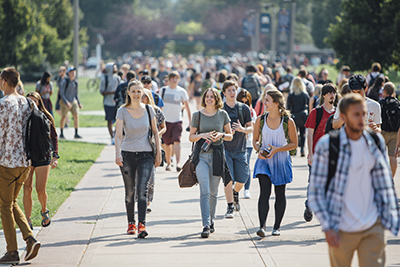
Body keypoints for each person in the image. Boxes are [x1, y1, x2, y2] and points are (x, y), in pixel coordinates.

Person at [308, 93, 400, 267]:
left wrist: (389, 218)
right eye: (356, 114)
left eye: (364, 114)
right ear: (343, 117)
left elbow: (384, 181)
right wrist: (328, 226)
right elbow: (316, 191)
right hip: (341, 227)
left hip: (373, 226)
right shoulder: (327, 146)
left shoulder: (375, 141)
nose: (362, 118)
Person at [0, 68, 41, 264]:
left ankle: (12, 251)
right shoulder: (27, 102)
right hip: (25, 163)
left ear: (3, 81)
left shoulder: (3, 104)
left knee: (4, 206)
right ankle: (30, 238)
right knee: (11, 202)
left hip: (7, 163)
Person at [114, 79, 162, 238]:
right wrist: (117, 153)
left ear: (143, 93)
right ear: (128, 93)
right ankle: (131, 223)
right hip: (127, 154)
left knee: (142, 189)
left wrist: (159, 153)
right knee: (130, 192)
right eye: (133, 91)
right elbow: (119, 134)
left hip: (146, 155)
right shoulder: (122, 111)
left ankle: (142, 225)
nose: (136, 94)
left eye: (139, 91)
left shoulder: (149, 109)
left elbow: (155, 131)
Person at [252, 89, 298, 237]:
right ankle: (262, 227)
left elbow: (294, 144)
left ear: (276, 103)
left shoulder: (288, 122)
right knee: (264, 192)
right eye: (264, 100)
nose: (264, 103)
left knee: (280, 193)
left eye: (267, 100)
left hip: (281, 161)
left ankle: (276, 227)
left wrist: (278, 149)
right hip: (264, 161)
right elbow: (255, 140)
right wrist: (259, 149)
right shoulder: (260, 120)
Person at [189, 88, 233, 238]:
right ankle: (206, 224)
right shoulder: (197, 115)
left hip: (217, 156)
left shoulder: (223, 114)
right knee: (205, 190)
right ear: (204, 98)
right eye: (207, 97)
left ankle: (212, 219)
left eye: (212, 97)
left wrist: (221, 134)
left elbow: (230, 136)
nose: (209, 99)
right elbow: (191, 137)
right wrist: (203, 135)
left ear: (216, 99)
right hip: (201, 156)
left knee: (214, 192)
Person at [23, 92, 59, 230]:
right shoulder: (23, 117)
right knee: (27, 188)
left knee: (40, 189)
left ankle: (44, 210)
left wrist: (55, 156)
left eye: (35, 101)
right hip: (28, 156)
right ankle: (28, 219)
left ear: (39, 102)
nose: (32, 104)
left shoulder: (46, 116)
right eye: (29, 101)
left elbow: (54, 137)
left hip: (44, 156)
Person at [303, 83, 337, 222]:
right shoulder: (316, 112)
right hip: (317, 155)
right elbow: (310, 134)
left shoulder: (338, 114)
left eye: (333, 92)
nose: (332, 95)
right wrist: (310, 154)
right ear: (323, 95)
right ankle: (309, 205)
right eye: (329, 93)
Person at [222, 80, 253, 217]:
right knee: (228, 179)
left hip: (241, 149)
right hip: (225, 149)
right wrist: (227, 134)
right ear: (224, 93)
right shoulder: (221, 110)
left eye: (234, 90)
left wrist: (242, 129)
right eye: (229, 90)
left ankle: (235, 193)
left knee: (242, 179)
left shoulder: (243, 108)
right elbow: (215, 130)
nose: (232, 93)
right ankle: (230, 207)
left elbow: (251, 128)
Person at [141, 89, 166, 212]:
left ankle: (148, 201)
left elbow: (163, 127)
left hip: (152, 146)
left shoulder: (156, 110)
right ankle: (141, 200)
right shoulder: (134, 111)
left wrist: (156, 135)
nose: (141, 98)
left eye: (144, 96)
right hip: (138, 146)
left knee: (151, 176)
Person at [161, 71, 191, 171]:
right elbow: (159, 106)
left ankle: (178, 163)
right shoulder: (163, 90)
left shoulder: (182, 91)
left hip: (177, 120)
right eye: (172, 78)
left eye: (176, 78)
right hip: (165, 121)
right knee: (167, 144)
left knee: (177, 141)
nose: (174, 80)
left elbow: (187, 107)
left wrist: (191, 122)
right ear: (169, 80)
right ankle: (169, 163)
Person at [236, 89, 257, 199]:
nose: (244, 104)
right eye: (242, 102)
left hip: (247, 143)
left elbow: (253, 127)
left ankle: (246, 189)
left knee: (246, 165)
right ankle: (236, 188)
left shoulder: (252, 111)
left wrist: (243, 129)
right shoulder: (234, 109)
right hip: (236, 142)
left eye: (246, 102)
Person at [379, 82, 400, 176]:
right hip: (395, 133)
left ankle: (383, 177)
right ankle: (391, 178)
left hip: (382, 132)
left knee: (381, 156)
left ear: (384, 91)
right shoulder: (397, 103)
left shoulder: (381, 103)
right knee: (392, 157)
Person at [287, 77, 309, 157]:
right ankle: (302, 149)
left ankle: (294, 149)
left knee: (294, 134)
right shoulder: (304, 94)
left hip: (294, 116)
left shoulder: (291, 95)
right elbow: (308, 106)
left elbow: (288, 107)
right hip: (303, 116)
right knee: (303, 133)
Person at [100, 63, 121, 145]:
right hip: (108, 103)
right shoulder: (104, 79)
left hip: (117, 103)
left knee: (118, 120)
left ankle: (116, 135)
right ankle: (112, 136)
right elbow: (102, 91)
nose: (116, 68)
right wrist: (112, 92)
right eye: (114, 67)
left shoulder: (118, 78)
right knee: (109, 121)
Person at [59, 66, 82, 139]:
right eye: (71, 72)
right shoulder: (65, 81)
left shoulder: (75, 82)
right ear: (68, 73)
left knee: (76, 115)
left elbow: (76, 93)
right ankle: (61, 133)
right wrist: (66, 102)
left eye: (74, 72)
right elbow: (61, 93)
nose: (73, 73)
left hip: (73, 101)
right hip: (65, 101)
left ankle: (76, 133)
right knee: (63, 117)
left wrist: (78, 102)